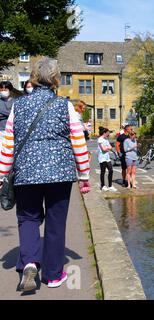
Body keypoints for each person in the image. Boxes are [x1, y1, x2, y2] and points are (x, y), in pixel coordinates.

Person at [0, 57, 91, 292]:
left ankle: (29, 262)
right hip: (59, 174)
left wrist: (2, 175)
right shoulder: (64, 106)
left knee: (28, 218)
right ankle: (52, 275)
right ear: (55, 79)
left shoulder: (18, 106)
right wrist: (84, 175)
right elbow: (78, 142)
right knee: (55, 222)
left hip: (26, 173)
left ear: (33, 77)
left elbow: (8, 144)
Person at [98, 127, 117, 192]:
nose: (108, 134)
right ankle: (103, 185)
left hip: (107, 158)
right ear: (104, 133)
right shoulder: (100, 139)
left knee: (111, 170)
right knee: (103, 172)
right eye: (108, 132)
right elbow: (103, 149)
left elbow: (110, 147)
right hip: (102, 158)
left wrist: (107, 147)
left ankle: (110, 186)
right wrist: (108, 147)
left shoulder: (106, 140)